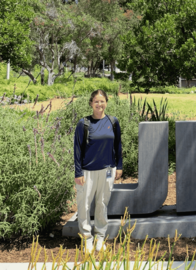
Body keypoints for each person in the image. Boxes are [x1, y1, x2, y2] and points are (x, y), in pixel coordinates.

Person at [73, 89, 123, 252]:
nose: (99, 104)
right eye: (96, 101)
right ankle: (87, 237)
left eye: (102, 101)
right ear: (91, 103)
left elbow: (118, 146)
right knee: (84, 205)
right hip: (87, 172)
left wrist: (119, 166)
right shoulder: (84, 124)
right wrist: (78, 173)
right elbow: (77, 150)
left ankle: (100, 236)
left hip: (108, 170)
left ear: (106, 102)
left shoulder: (113, 122)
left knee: (102, 204)